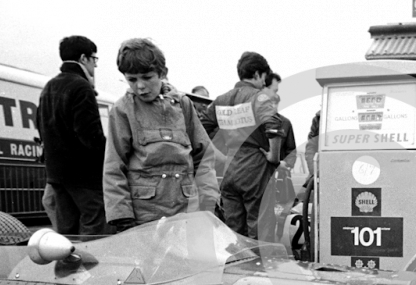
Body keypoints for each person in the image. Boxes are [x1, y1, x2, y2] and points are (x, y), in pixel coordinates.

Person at [103, 38, 219, 231]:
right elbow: (114, 166)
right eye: (132, 79)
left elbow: (204, 155)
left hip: (187, 212)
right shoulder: (122, 110)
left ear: (162, 73)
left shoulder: (183, 105)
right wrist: (121, 215)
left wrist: (208, 201)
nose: (140, 86)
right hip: (145, 218)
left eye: (147, 77)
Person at [200, 52, 283, 241]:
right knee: (261, 229)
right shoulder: (259, 98)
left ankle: (239, 268)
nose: (264, 83)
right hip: (255, 167)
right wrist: (274, 157)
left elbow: (200, 128)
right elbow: (275, 126)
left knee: (234, 232)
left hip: (230, 168)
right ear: (256, 74)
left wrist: (219, 156)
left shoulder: (221, 100)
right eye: (264, 78)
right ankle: (260, 269)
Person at [36, 35, 108, 235]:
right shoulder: (82, 86)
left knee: (67, 230)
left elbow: (39, 125)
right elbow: (89, 135)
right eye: (95, 59)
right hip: (84, 174)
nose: (95, 65)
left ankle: (68, 265)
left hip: (57, 174)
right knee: (94, 226)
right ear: (84, 58)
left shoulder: (49, 86)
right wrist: (108, 157)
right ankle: (93, 266)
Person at [262, 72, 297, 241]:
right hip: (262, 176)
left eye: (275, 103)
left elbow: (292, 152)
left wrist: (284, 164)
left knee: (281, 218)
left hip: (281, 180)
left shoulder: (286, 123)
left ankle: (278, 244)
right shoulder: (258, 121)